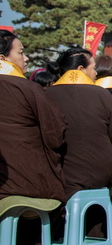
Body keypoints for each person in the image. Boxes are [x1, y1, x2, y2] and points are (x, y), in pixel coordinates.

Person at [47, 48, 112, 199]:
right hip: (101, 172)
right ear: (81, 69)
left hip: (63, 171)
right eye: (94, 68)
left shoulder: (47, 95)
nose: (96, 73)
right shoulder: (102, 94)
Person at [0, 30, 66, 204]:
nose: (26, 58)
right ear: (2, 58)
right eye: (21, 53)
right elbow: (55, 132)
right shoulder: (27, 88)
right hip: (24, 182)